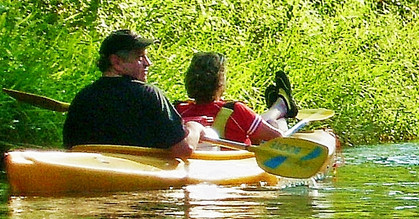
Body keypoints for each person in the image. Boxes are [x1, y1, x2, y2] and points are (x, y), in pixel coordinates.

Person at [63, 29, 205, 156]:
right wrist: (194, 127)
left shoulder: (83, 97)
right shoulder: (149, 94)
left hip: (91, 172)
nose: (148, 63)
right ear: (116, 62)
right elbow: (184, 149)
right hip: (136, 175)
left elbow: (70, 147)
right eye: (140, 57)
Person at [175, 53, 293, 145]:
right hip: (236, 170)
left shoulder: (177, 111)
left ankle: (280, 105)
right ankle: (281, 107)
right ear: (220, 84)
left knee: (254, 123)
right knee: (274, 123)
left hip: (192, 169)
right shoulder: (235, 110)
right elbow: (278, 137)